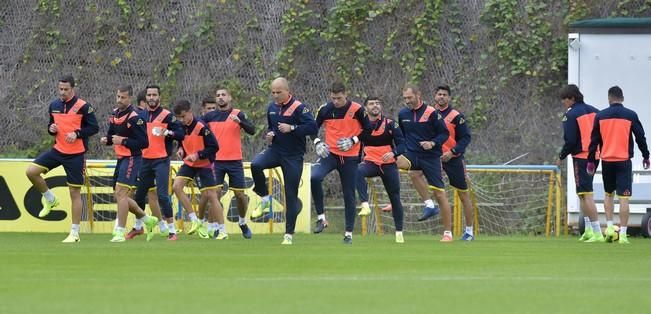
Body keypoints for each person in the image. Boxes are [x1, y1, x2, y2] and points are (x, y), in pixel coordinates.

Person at [25, 74, 99, 243]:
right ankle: (50, 199)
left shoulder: (83, 107)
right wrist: (51, 129)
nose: (63, 92)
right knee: (31, 171)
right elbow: (52, 127)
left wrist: (77, 133)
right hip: (58, 150)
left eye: (66, 89)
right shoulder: (54, 105)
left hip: (76, 155)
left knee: (74, 193)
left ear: (73, 88)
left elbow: (94, 127)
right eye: (60, 89)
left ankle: (74, 233)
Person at [250, 77, 317, 245]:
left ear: (288, 91)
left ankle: (288, 234)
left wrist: (292, 128)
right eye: (273, 92)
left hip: (293, 156)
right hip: (276, 150)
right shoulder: (271, 108)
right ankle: (265, 199)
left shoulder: (299, 108)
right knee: (255, 164)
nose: (275, 95)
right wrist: (270, 135)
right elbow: (271, 127)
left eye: (278, 92)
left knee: (291, 194)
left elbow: (312, 128)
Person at [405, 86, 474, 240]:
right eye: (439, 94)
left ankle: (469, 231)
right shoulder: (428, 113)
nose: (441, 97)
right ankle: (431, 206)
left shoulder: (456, 116)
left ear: (449, 98)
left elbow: (465, 138)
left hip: (452, 159)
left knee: (463, 195)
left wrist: (452, 152)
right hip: (431, 157)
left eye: (444, 95)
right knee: (414, 173)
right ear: (434, 96)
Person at [587, 86, 649, 244]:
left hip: (607, 161)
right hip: (623, 161)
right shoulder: (630, 115)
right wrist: (646, 155)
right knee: (624, 198)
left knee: (608, 194)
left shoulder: (600, 116)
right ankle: (622, 235)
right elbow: (640, 137)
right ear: (622, 98)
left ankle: (608, 229)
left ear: (609, 98)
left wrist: (590, 161)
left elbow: (594, 141)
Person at [311, 82, 369, 244]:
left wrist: (354, 140)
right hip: (331, 154)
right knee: (314, 177)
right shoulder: (325, 109)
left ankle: (348, 234)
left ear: (346, 94)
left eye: (339, 98)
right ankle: (321, 218)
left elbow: (369, 128)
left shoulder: (357, 109)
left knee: (349, 194)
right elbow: (312, 128)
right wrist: (317, 142)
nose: (335, 101)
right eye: (333, 98)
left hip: (350, 157)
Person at [396, 83, 453, 242]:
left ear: (418, 94)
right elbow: (400, 135)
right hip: (412, 154)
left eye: (410, 97)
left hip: (431, 157)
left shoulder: (431, 113)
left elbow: (444, 134)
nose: (407, 101)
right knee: (391, 163)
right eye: (405, 98)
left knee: (440, 194)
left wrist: (433, 143)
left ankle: (448, 233)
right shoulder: (402, 114)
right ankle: (424, 204)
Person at [100, 85, 158, 243]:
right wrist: (107, 140)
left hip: (132, 158)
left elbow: (144, 143)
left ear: (130, 98)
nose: (119, 100)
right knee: (119, 195)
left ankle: (119, 232)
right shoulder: (115, 113)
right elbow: (112, 134)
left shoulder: (135, 117)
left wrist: (123, 141)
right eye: (118, 96)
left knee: (121, 194)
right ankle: (147, 219)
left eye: (123, 97)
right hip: (121, 158)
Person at [129, 85, 184, 241]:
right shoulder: (141, 116)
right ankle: (138, 227)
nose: (152, 97)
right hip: (144, 160)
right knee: (139, 195)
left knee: (162, 196)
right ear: (145, 97)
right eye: (149, 95)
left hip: (161, 160)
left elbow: (181, 134)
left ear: (159, 97)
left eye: (154, 95)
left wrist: (167, 132)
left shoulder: (167, 116)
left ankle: (172, 231)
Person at [203, 87, 256, 239]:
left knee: (240, 195)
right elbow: (198, 131)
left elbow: (252, 130)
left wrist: (241, 122)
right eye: (218, 95)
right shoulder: (210, 116)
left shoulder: (237, 114)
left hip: (234, 161)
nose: (220, 97)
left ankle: (242, 221)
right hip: (216, 162)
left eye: (223, 95)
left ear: (230, 97)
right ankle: (216, 227)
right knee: (215, 194)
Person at [171, 99, 227, 239]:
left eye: (183, 116)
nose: (181, 120)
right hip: (189, 164)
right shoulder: (180, 126)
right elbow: (182, 141)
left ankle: (222, 231)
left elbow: (214, 147)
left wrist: (197, 155)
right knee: (177, 187)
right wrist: (180, 150)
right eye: (179, 118)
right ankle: (195, 220)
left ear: (190, 112)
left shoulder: (202, 127)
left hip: (204, 164)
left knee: (211, 196)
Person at [355, 96, 406, 243]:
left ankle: (399, 233)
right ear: (366, 108)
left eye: (378, 103)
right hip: (370, 163)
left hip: (388, 164)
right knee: (357, 171)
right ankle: (365, 204)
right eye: (371, 104)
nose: (375, 106)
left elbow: (402, 145)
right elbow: (357, 145)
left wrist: (394, 153)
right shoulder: (360, 125)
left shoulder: (391, 124)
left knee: (395, 197)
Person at [557, 84, 603, 242]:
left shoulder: (570, 115)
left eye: (565, 99)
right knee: (582, 194)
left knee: (586, 193)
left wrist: (561, 155)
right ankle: (589, 230)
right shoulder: (596, 111)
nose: (563, 102)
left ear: (572, 98)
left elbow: (570, 140)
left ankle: (597, 233)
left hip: (582, 156)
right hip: (595, 155)